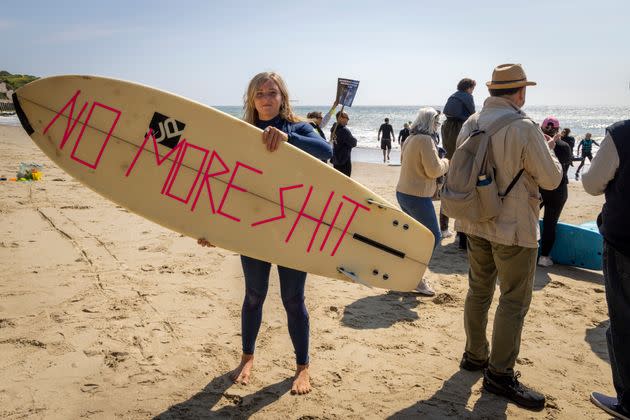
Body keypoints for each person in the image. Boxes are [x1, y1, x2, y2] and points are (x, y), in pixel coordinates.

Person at [198, 72, 332, 396]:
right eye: (259, 94)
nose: (266, 99)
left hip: (291, 229)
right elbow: (225, 183)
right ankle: (247, 358)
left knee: (292, 299)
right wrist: (210, 229)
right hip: (254, 229)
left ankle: (302, 367)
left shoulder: (300, 129)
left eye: (272, 93)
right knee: (254, 295)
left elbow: (325, 150)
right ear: (251, 100)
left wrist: (290, 140)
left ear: (282, 97)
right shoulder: (242, 134)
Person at [455, 64, 561, 410]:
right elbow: (551, 180)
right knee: (513, 300)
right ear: (520, 93)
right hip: (513, 226)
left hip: (475, 220)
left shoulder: (472, 122)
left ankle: (474, 355)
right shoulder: (524, 127)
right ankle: (500, 374)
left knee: (478, 290)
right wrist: (550, 151)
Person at [582, 119, 630, 420]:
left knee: (624, 322)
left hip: (625, 242)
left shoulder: (622, 134)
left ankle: (628, 401)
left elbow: (591, 183)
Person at [395, 107, 449, 296]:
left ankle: (404, 272)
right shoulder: (426, 140)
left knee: (414, 237)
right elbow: (434, 170)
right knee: (432, 237)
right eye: (437, 122)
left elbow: (405, 161)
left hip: (403, 192)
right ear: (430, 122)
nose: (438, 126)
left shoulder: (410, 137)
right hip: (416, 195)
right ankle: (416, 278)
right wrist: (447, 162)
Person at [440, 78, 477, 247]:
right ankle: (462, 236)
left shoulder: (452, 96)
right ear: (469, 87)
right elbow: (474, 116)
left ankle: (443, 227)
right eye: (473, 88)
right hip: (460, 130)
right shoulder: (467, 97)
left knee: (448, 186)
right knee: (463, 187)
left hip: (448, 132)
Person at [538, 116, 573, 267]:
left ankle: (524, 250)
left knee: (528, 218)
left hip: (538, 187)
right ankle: (544, 257)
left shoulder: (537, 144)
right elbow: (565, 166)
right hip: (558, 189)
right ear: (558, 130)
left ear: (542, 128)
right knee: (550, 223)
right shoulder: (564, 146)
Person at [330, 110, 357, 177]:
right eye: (346, 117)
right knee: (345, 180)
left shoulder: (334, 128)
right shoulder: (344, 130)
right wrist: (355, 140)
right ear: (340, 118)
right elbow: (353, 143)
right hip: (344, 160)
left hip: (336, 159)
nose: (348, 119)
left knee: (337, 180)